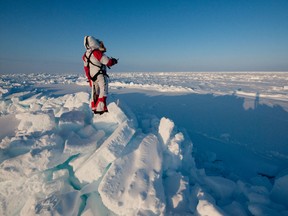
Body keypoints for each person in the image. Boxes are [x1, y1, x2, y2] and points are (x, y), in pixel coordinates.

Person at [82, 36, 118, 114]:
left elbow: (86, 68)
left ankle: (94, 107)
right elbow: (107, 62)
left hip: (92, 77)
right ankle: (101, 109)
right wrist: (114, 61)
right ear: (93, 42)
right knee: (103, 91)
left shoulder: (85, 55)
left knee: (95, 92)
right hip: (100, 75)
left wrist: (89, 79)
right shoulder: (96, 53)